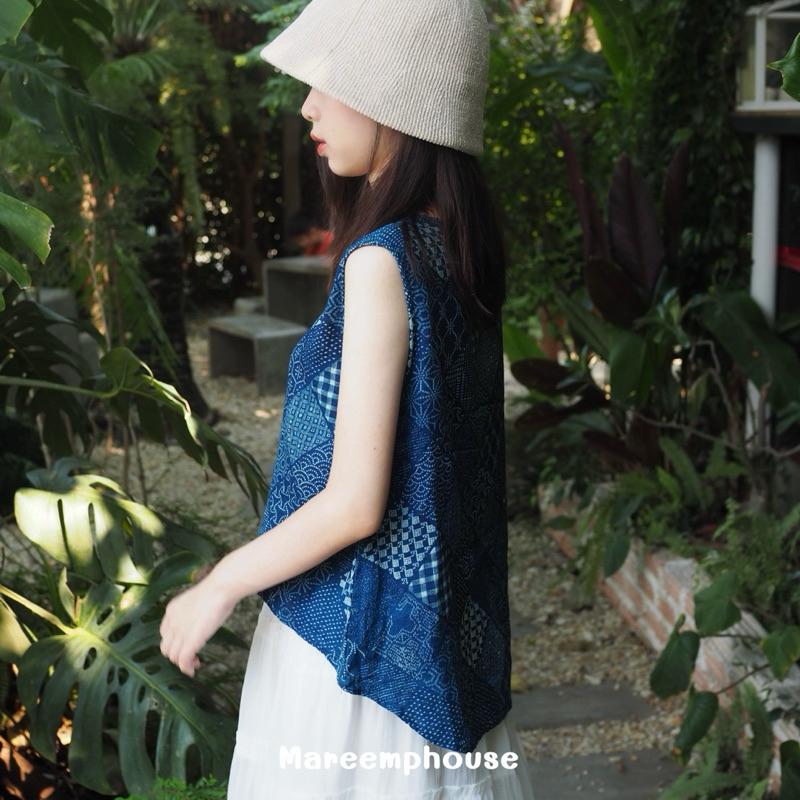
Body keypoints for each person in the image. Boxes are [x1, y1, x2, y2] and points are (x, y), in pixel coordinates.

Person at [159, 0, 534, 797]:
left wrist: (220, 582)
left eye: (327, 83)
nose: (307, 107)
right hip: (433, 644)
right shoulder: (459, 251)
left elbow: (354, 504)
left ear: (392, 95)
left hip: (356, 663)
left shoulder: (381, 262)